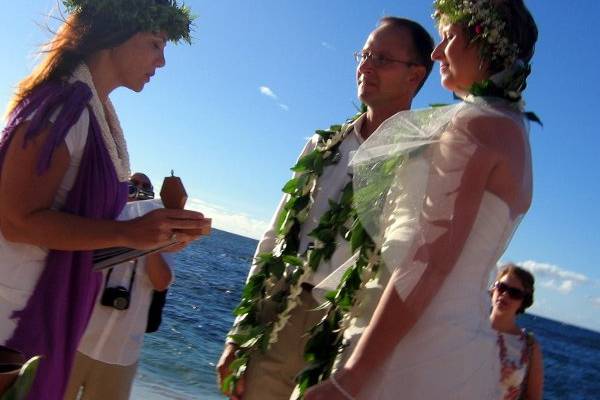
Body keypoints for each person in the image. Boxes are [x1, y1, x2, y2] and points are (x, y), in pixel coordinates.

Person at [304, 0, 539, 399]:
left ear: (481, 40)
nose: (436, 53)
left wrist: (351, 378)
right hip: (465, 342)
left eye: (448, 38)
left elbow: (428, 260)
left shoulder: (475, 125)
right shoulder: (515, 131)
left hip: (418, 339)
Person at [217, 17, 434, 400]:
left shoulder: (425, 160)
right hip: (281, 317)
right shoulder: (323, 148)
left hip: (350, 333)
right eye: (364, 54)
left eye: (381, 59)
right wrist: (239, 332)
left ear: (415, 76)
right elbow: (274, 238)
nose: (365, 66)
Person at [0, 1, 209, 399]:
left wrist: (152, 237)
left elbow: (73, 236)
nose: (161, 62)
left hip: (45, 318)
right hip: (11, 324)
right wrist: (128, 232)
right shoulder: (63, 106)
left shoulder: (96, 114)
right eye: (155, 44)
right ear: (115, 36)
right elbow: (16, 222)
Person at [64, 173, 177, 400]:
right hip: (76, 341)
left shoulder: (165, 236)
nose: (139, 189)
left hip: (121, 353)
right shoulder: (104, 220)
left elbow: (162, 282)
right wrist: (124, 232)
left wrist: (151, 243)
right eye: (132, 184)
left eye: (146, 187)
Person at [491, 264, 544, 400]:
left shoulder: (529, 346)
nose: (505, 294)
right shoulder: (469, 325)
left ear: (523, 301)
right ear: (493, 288)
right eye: (501, 287)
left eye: (514, 293)